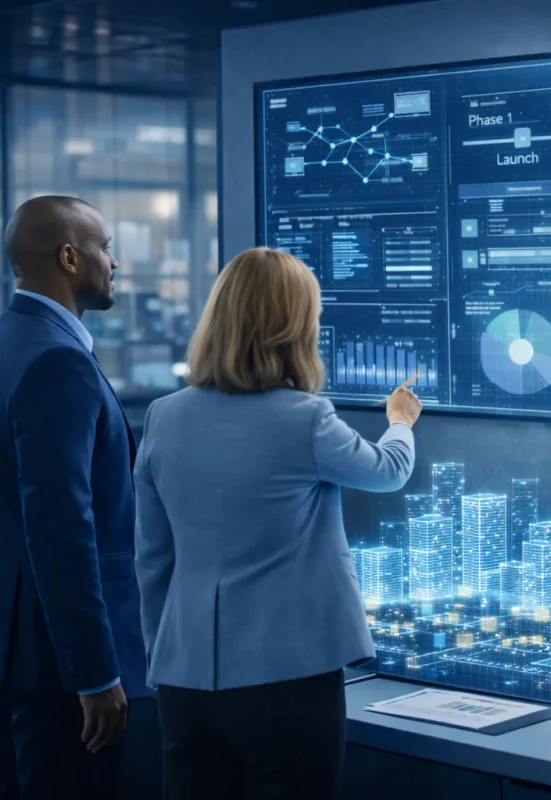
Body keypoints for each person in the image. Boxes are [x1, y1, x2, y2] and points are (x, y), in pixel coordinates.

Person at [134, 247, 421, 800]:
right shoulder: (303, 418)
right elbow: (388, 471)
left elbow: (153, 558)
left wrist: (162, 655)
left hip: (185, 677)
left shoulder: (164, 416)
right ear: (293, 328)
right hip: (285, 678)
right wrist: (400, 421)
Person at [0, 196, 147, 799]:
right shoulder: (57, 361)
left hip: (6, 645)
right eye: (105, 247)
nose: (114, 264)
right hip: (57, 665)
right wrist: (93, 674)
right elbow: (62, 530)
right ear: (70, 257)